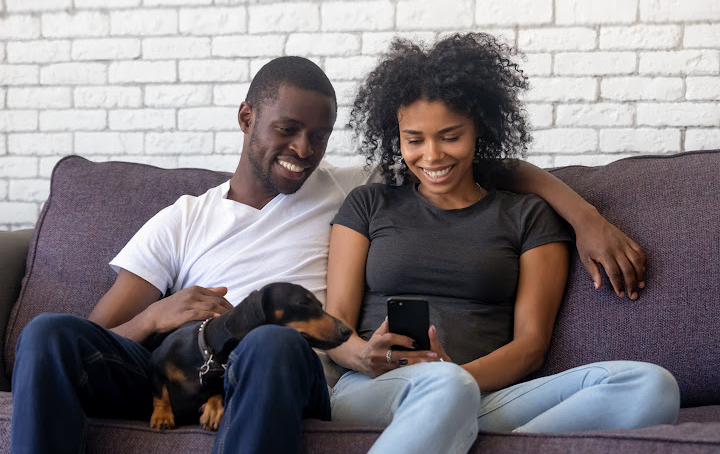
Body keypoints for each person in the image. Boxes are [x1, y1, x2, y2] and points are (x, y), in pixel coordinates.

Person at [11, 54, 649, 454]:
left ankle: (448, 417)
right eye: (287, 129)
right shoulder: (183, 218)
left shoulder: (349, 188)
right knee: (48, 334)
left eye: (318, 135)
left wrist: (584, 215)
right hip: (179, 369)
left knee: (275, 339)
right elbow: (95, 341)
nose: (304, 149)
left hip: (278, 361)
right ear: (246, 118)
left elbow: (473, 164)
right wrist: (154, 318)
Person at [325, 33, 680, 454]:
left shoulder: (527, 216)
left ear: (480, 129)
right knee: (446, 387)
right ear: (396, 136)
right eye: (414, 139)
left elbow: (531, 346)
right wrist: (363, 355)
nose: (432, 156)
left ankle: (465, 436)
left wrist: (455, 374)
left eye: (451, 136)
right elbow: (334, 327)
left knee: (650, 385)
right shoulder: (369, 204)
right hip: (374, 389)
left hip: (481, 394)